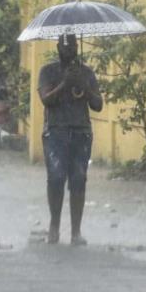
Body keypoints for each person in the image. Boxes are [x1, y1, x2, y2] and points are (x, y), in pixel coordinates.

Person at [38, 33, 103, 245]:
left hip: (80, 132)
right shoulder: (47, 72)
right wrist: (65, 84)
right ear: (58, 48)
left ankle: (76, 231)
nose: (68, 50)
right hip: (56, 132)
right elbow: (46, 100)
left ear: (77, 47)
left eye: (72, 46)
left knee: (78, 180)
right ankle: (54, 226)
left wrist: (83, 85)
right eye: (64, 47)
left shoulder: (86, 72)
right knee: (56, 178)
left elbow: (98, 105)